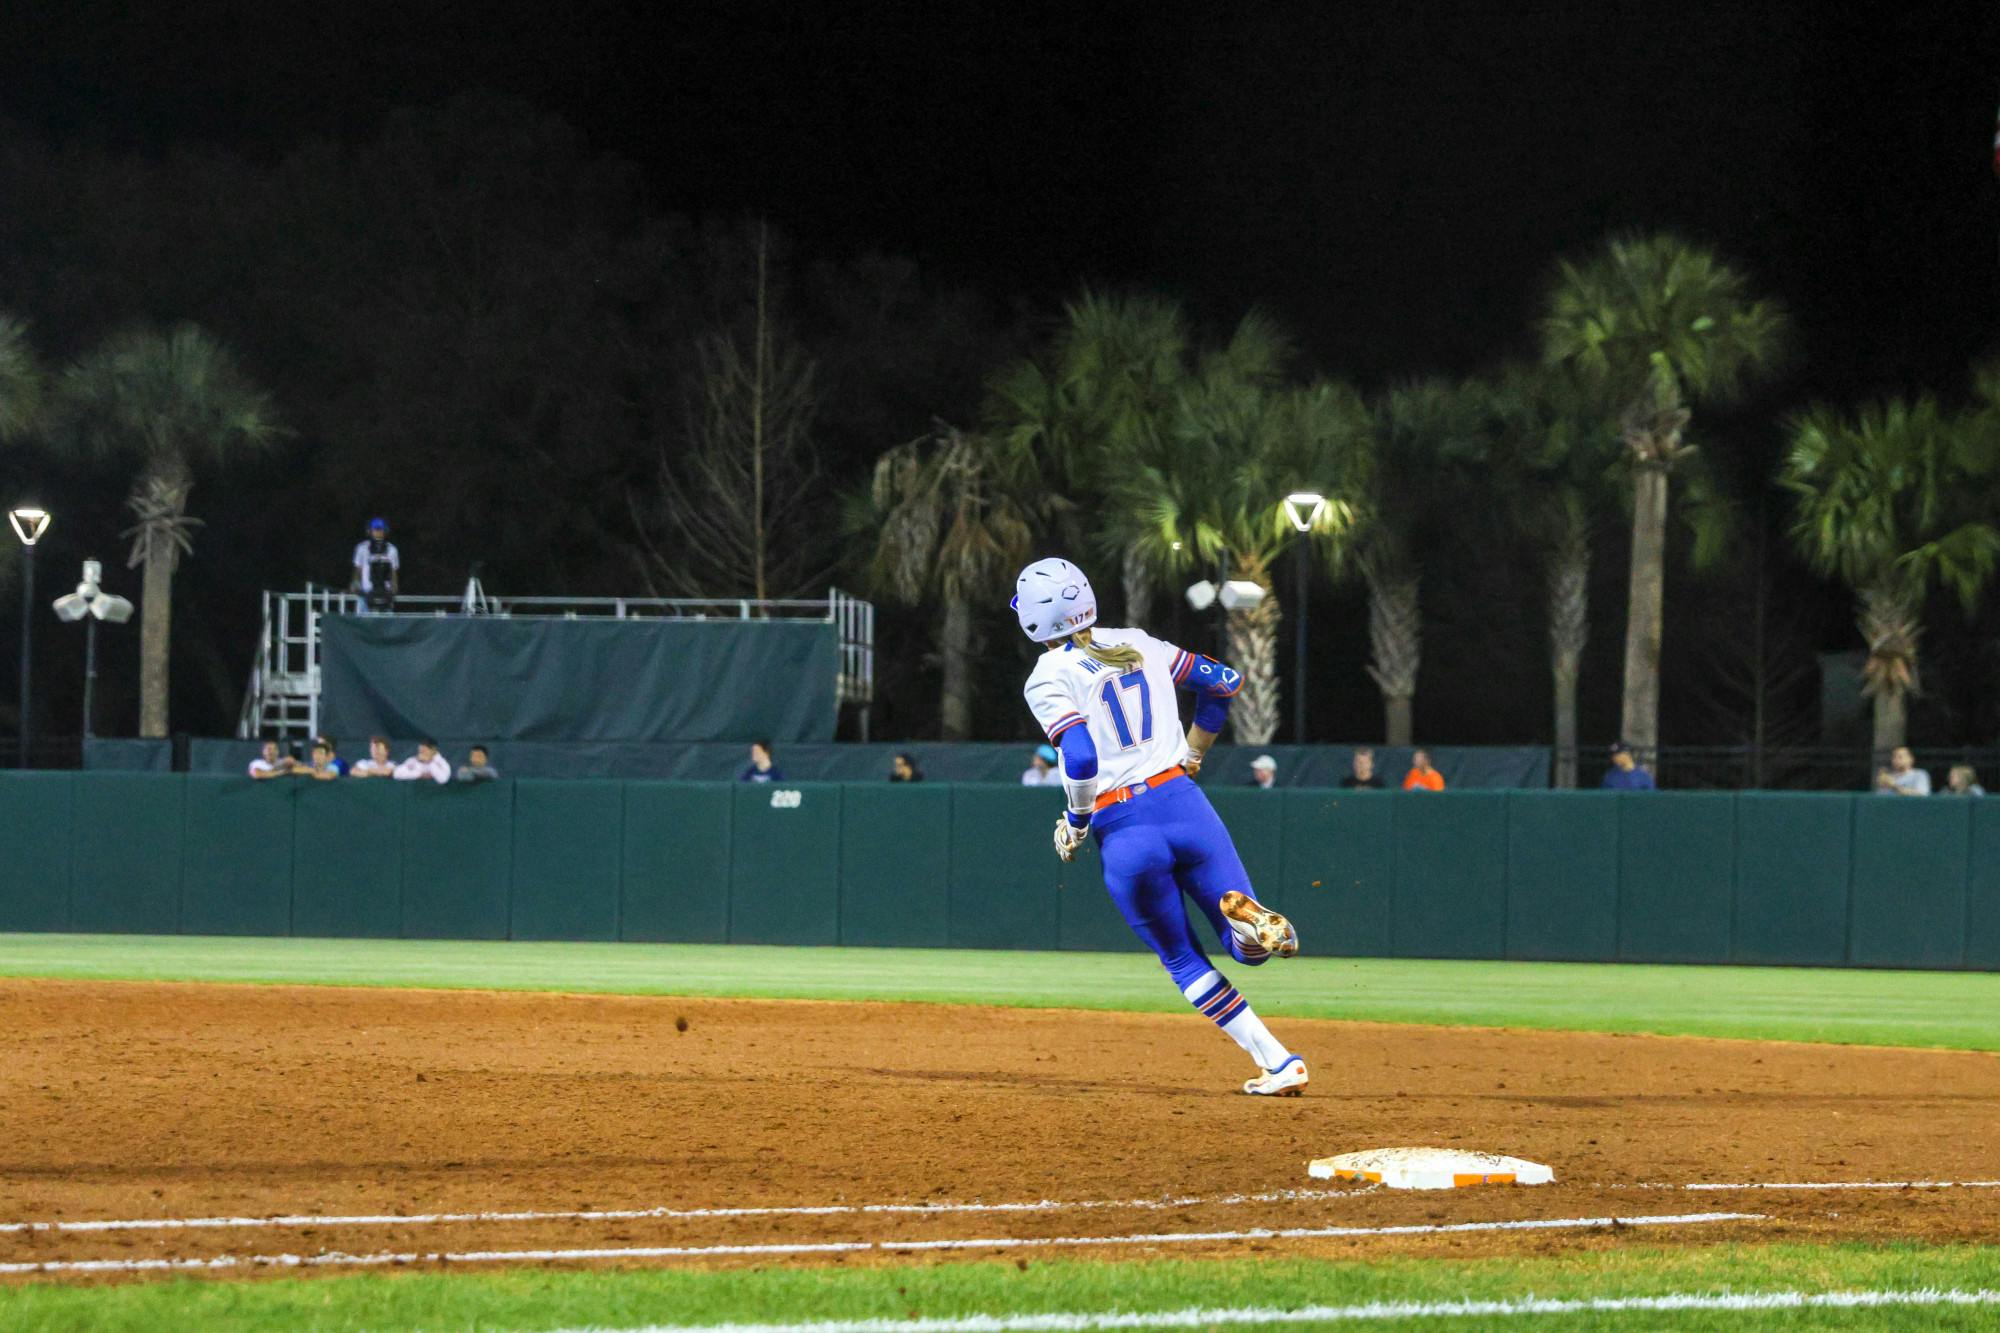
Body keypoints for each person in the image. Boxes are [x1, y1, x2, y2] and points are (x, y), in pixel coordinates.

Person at [1014, 556, 1306, 1097]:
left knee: (1181, 957)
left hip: (1124, 824)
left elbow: (1078, 760)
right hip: (1183, 801)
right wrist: (1195, 750)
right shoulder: (1137, 640)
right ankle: (1252, 934)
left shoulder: (1047, 674)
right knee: (1241, 944)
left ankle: (1277, 1060)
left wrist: (1076, 822)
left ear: (1033, 620)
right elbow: (1225, 681)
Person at [350, 517, 400, 614]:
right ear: (369, 531)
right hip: (366, 593)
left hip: (385, 594)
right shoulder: (361, 548)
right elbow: (357, 568)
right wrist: (355, 582)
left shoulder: (392, 549)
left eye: (381, 530)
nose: (378, 532)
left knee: (386, 625)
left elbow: (393, 571)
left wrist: (394, 585)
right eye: (375, 530)